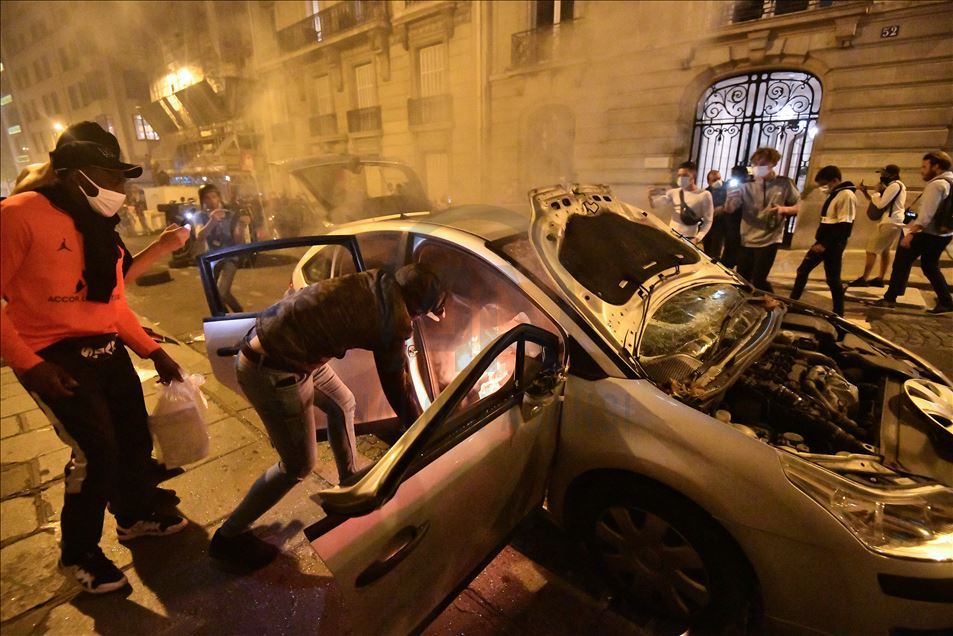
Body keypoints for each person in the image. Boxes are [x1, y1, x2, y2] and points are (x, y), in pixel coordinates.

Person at [0, 121, 187, 595]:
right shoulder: (18, 215)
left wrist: (152, 351)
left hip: (105, 346)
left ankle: (133, 516)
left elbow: (113, 304)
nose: (122, 188)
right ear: (76, 174)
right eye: (112, 175)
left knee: (133, 437)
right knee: (95, 453)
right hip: (52, 354)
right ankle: (79, 552)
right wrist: (30, 364)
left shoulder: (99, 225)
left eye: (122, 177)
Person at [208, 264, 446, 570]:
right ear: (416, 308)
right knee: (297, 466)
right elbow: (396, 387)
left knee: (343, 402)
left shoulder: (378, 278)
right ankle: (228, 537)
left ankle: (349, 483)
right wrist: (420, 428)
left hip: (289, 347)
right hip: (274, 369)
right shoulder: (395, 318)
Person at [12, 160, 190, 283]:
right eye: (113, 180)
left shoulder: (97, 223)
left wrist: (161, 246)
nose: (121, 192)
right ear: (78, 178)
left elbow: (117, 278)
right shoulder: (22, 220)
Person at [875, 151, 953, 314]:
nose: (921, 170)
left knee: (902, 260)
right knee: (930, 265)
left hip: (927, 232)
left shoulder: (936, 185)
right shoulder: (950, 181)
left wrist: (912, 233)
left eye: (925, 166)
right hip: (944, 233)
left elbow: (926, 215)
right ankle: (946, 301)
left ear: (936, 166)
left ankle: (890, 298)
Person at [726, 147, 800, 292]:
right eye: (755, 164)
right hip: (747, 238)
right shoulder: (746, 185)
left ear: (773, 163)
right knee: (743, 279)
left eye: (763, 164)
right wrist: (730, 198)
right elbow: (730, 209)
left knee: (759, 279)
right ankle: (746, 308)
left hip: (770, 239)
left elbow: (800, 206)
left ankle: (772, 305)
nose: (758, 168)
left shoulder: (785, 184)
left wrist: (784, 209)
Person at [789, 166, 856, 316]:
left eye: (825, 184)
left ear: (835, 180)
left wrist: (825, 244)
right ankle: (793, 303)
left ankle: (838, 312)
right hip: (823, 242)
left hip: (832, 244)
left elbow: (844, 225)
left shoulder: (846, 195)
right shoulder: (835, 194)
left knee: (832, 278)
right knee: (804, 270)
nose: (824, 188)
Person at [848, 164, 906, 288]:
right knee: (885, 251)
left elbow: (880, 204)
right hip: (893, 222)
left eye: (884, 174)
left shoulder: (894, 186)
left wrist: (876, 192)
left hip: (890, 222)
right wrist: (866, 193)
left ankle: (864, 278)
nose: (882, 176)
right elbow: (877, 204)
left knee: (871, 249)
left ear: (893, 175)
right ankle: (880, 279)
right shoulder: (893, 186)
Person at [195, 183, 243, 313]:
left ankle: (240, 315)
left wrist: (241, 226)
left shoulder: (230, 214)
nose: (211, 201)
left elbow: (238, 240)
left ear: (219, 198)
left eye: (214, 197)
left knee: (222, 293)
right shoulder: (201, 216)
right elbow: (199, 235)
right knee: (213, 296)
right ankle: (227, 319)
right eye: (207, 198)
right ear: (203, 200)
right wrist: (213, 221)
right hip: (213, 258)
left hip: (230, 257)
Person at [647, 160, 714, 245]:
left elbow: (708, 221)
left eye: (685, 175)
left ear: (693, 176)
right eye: (679, 175)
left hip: (689, 239)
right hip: (671, 235)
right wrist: (650, 197)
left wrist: (697, 238)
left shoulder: (704, 195)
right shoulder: (673, 192)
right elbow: (654, 205)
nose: (681, 178)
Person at [702, 169, 729, 260]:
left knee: (716, 251)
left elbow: (733, 203)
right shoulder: (706, 192)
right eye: (714, 180)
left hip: (721, 224)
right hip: (708, 224)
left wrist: (723, 208)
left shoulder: (727, 190)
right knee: (707, 250)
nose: (718, 182)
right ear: (709, 182)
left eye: (719, 179)